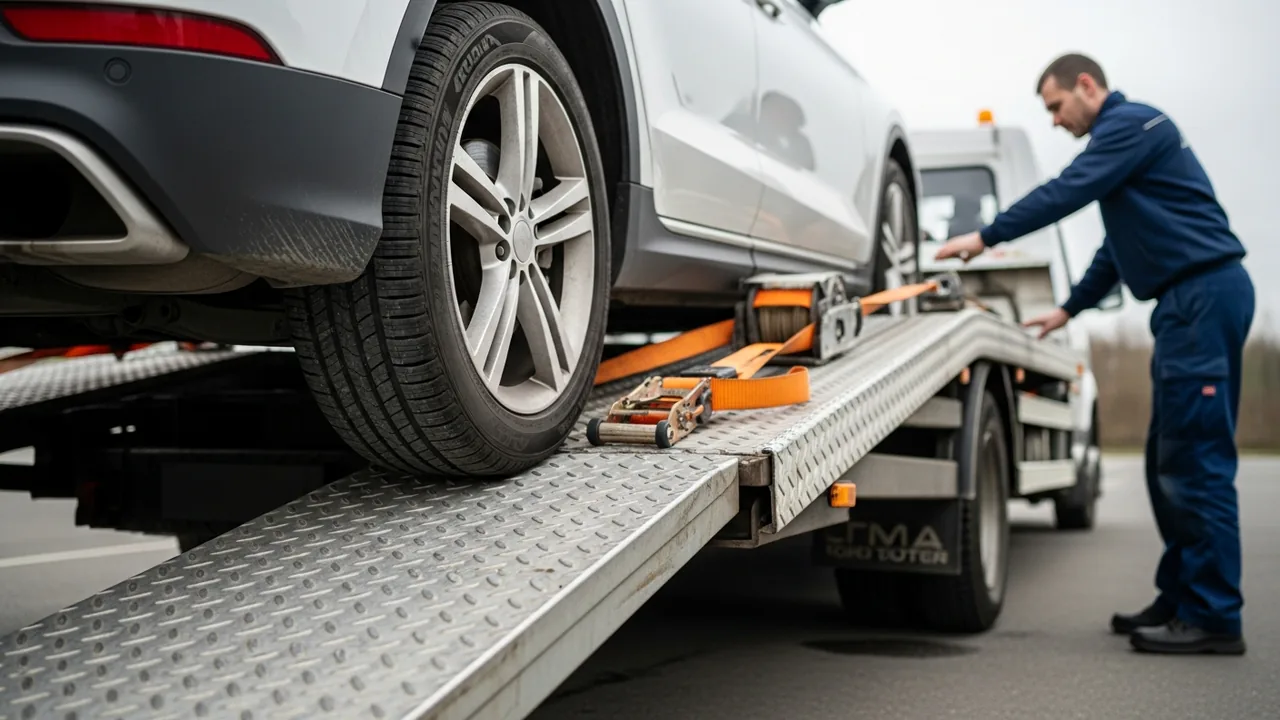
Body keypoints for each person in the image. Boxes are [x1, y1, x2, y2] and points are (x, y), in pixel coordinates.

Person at [934, 53, 1254, 655]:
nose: (1055, 120)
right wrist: (1068, 310)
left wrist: (986, 235)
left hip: (1202, 300)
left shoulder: (1131, 125)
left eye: (1056, 106)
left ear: (1087, 86)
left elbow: (1068, 190)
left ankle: (1214, 616)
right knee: (1168, 460)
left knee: (1195, 465)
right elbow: (1115, 249)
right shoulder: (1129, 148)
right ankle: (1183, 597)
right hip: (1190, 304)